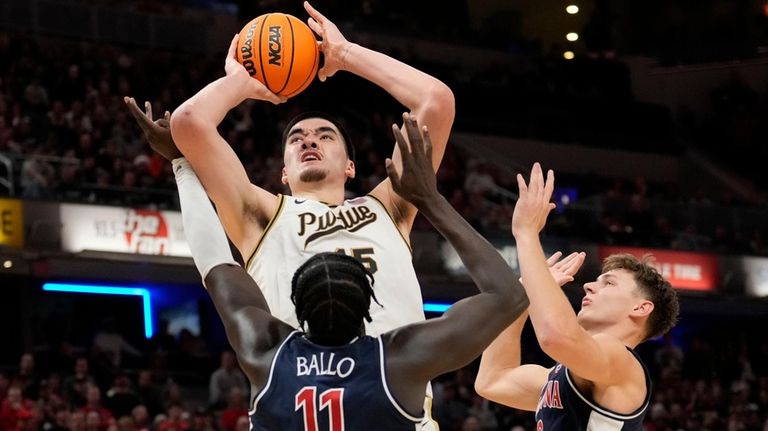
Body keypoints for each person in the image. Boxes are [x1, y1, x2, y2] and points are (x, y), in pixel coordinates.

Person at [175, 116, 528, 430]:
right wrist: (430, 200)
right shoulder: (397, 361)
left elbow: (214, 262)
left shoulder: (269, 354)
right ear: (370, 305)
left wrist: (181, 165)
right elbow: (508, 296)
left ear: (295, 308)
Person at [128, 0, 455, 336]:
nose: (309, 141)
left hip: (393, 384)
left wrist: (345, 54)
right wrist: (239, 82)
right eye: (296, 138)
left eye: (325, 136)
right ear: (283, 172)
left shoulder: (390, 206)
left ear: (350, 167)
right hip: (300, 383)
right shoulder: (261, 213)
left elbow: (437, 101)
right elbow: (189, 123)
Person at [474, 163, 681, 430]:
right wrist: (520, 298)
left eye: (609, 284)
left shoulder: (622, 363)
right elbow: (492, 380)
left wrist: (526, 234)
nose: (589, 287)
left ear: (641, 308)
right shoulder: (565, 375)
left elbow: (555, 336)